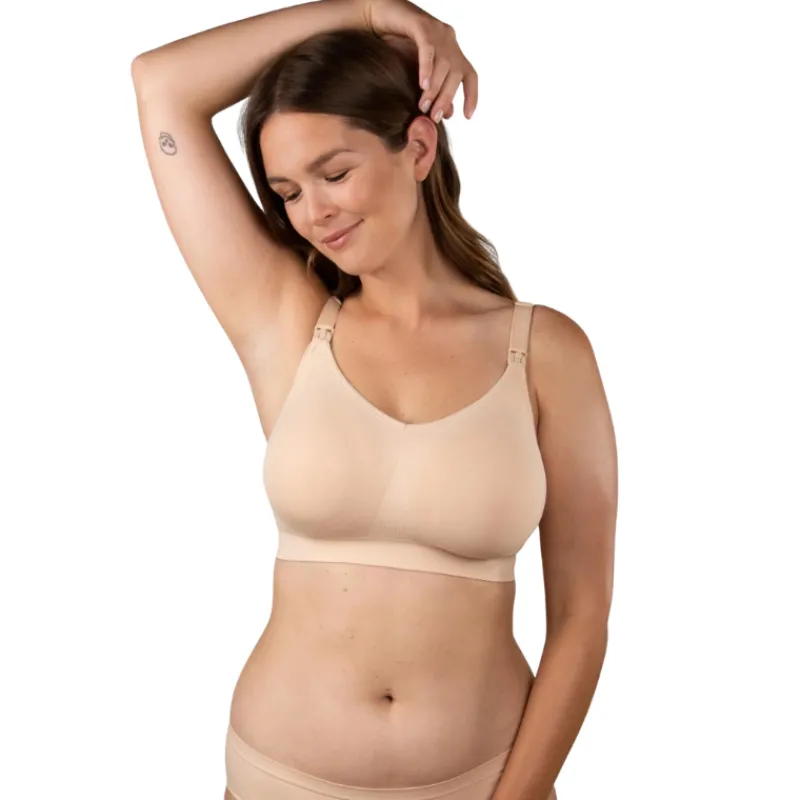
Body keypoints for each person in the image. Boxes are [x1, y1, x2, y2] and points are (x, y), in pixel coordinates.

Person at [131, 1, 617, 798]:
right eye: (287, 191)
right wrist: (368, 8)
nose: (313, 213)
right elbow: (162, 83)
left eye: (334, 173)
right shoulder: (288, 324)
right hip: (277, 777)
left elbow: (582, 618)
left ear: (418, 147)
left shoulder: (546, 353)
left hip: (481, 780)